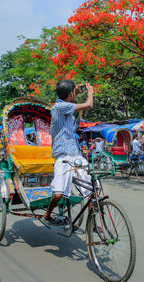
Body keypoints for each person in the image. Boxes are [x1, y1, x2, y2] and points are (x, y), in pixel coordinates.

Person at [44, 80, 94, 224]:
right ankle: (48, 214)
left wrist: (75, 92)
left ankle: (93, 221)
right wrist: (89, 93)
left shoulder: (63, 104)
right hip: (63, 155)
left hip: (75, 154)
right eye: (73, 92)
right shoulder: (59, 107)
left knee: (91, 190)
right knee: (59, 194)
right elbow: (88, 105)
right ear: (70, 93)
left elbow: (68, 99)